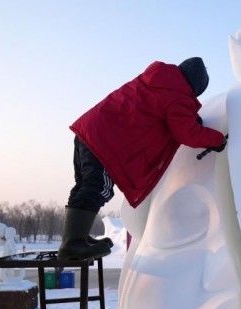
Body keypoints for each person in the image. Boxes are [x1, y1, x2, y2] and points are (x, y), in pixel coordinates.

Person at [58, 57, 226, 261]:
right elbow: (186, 133)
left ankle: (76, 238)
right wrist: (216, 140)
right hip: (105, 142)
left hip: (89, 130)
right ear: (195, 87)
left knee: (84, 184)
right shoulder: (178, 95)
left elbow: (162, 113)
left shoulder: (157, 80)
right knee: (97, 187)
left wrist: (189, 115)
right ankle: (73, 244)